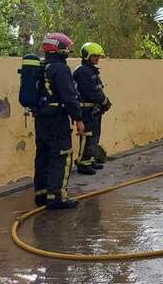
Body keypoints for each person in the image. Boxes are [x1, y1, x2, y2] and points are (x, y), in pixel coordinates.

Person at [34, 33, 84, 209]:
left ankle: (41, 194)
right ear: (59, 48)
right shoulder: (61, 69)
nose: (68, 51)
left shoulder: (41, 67)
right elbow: (70, 97)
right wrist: (78, 118)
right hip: (57, 119)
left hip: (41, 119)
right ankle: (57, 197)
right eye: (67, 48)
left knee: (43, 155)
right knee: (62, 155)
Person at [73, 42, 112, 175]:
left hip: (93, 109)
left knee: (94, 136)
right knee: (87, 136)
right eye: (95, 56)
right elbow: (91, 92)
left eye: (98, 56)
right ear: (87, 56)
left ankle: (90, 160)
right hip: (86, 110)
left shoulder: (90, 70)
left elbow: (98, 89)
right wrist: (105, 102)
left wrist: (103, 103)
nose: (97, 58)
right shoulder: (83, 71)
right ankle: (83, 163)